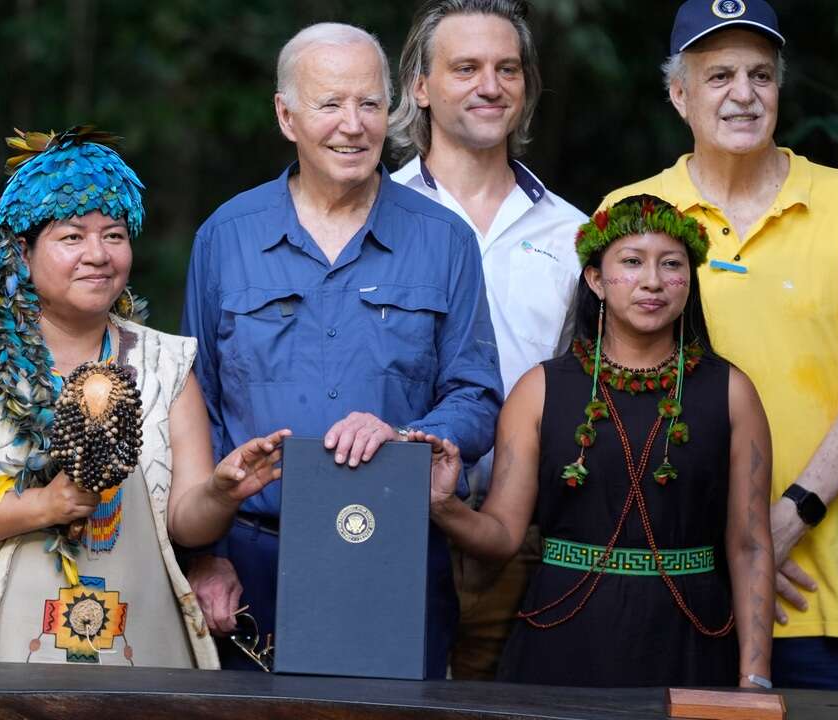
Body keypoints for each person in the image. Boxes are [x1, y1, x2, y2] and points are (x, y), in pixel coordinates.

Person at [0, 128, 287, 718]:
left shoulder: (165, 363)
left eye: (114, 236)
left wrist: (222, 491)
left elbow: (187, 522)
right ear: (20, 254)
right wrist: (44, 505)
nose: (98, 255)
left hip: (135, 643)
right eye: (72, 237)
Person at [181, 22, 503, 678]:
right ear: (286, 116)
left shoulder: (445, 241)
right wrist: (202, 557)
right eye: (330, 104)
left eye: (370, 104)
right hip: (250, 565)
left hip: (396, 551)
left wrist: (412, 435)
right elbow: (196, 409)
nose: (352, 125)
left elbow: (476, 394)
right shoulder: (226, 237)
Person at [604, 0, 838, 710]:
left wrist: (786, 521)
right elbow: (609, 407)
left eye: (762, 74)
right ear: (678, 94)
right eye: (719, 75)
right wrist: (730, 546)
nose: (744, 94)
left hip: (833, 597)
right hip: (681, 586)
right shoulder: (630, 215)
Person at [430, 195, 774, 686]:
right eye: (631, 263)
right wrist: (445, 506)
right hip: (563, 636)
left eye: (671, 264)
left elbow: (749, 545)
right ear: (596, 280)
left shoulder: (732, 393)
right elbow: (503, 535)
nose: (652, 281)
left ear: (689, 280)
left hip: (692, 636)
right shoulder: (539, 390)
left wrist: (756, 679)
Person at [388, 0, 585, 679]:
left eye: (507, 69)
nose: (490, 86)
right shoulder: (374, 220)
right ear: (419, 86)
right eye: (465, 68)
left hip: (529, 540)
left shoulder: (573, 235)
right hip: (388, 523)